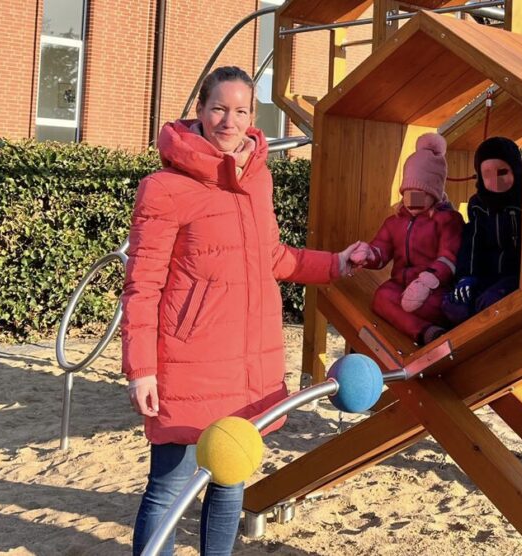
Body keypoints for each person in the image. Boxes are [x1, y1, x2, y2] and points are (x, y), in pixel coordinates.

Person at [122, 66, 361, 556]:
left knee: (230, 483)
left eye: (241, 110)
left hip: (249, 362)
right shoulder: (165, 188)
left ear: (254, 115)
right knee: (170, 486)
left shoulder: (258, 180)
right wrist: (141, 369)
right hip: (190, 364)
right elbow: (142, 285)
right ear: (200, 112)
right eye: (219, 109)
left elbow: (271, 256)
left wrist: (335, 264)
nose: (229, 121)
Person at [349, 132, 464, 345]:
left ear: (434, 193)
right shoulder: (395, 222)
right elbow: (381, 251)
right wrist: (367, 254)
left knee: (431, 305)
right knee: (382, 298)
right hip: (401, 285)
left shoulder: (447, 220)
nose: (412, 200)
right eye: (407, 192)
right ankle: (426, 332)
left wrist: (427, 281)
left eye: (420, 193)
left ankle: (435, 324)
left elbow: (450, 256)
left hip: (434, 289)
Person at [442, 136, 522, 325]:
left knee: (491, 303)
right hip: (486, 274)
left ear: (516, 170)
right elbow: (472, 243)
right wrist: (466, 277)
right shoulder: (479, 205)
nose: (495, 180)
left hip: (515, 275)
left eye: (502, 172)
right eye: (487, 174)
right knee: (453, 305)